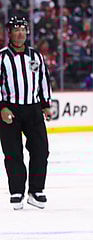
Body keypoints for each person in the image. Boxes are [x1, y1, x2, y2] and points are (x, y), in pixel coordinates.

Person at [0, 17, 52, 210]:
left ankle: (36, 190)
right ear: (9, 33)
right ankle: (17, 191)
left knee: (41, 150)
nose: (20, 33)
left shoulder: (36, 56)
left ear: (27, 32)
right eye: (16, 30)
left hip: (33, 109)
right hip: (10, 109)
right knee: (13, 153)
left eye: (23, 29)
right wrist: (2, 107)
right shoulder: (2, 57)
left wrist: (46, 104)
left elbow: (43, 80)